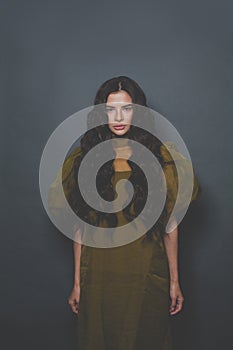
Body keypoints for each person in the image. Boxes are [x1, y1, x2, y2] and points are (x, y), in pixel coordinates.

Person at [49, 76, 200, 350]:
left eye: (127, 108)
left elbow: (170, 225)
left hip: (145, 274)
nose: (118, 116)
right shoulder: (84, 159)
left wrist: (175, 281)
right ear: (101, 113)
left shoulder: (162, 158)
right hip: (98, 276)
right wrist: (77, 283)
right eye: (110, 109)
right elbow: (79, 227)